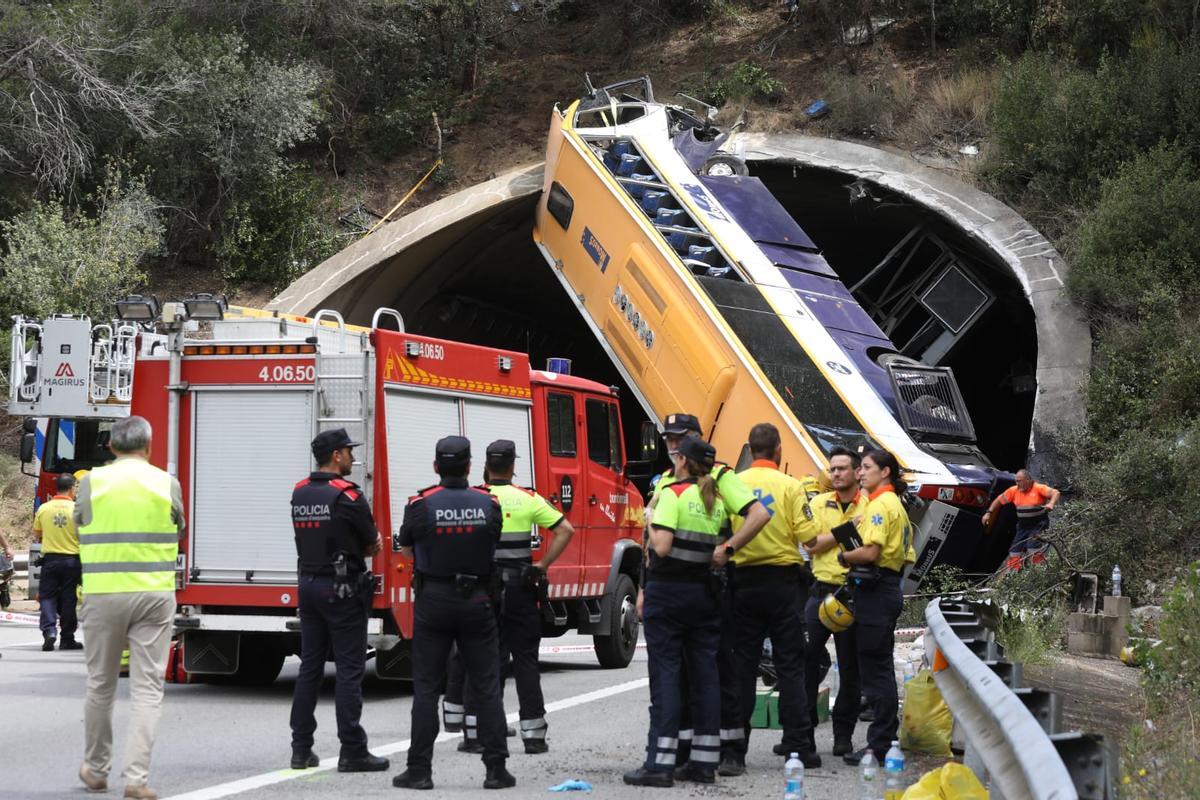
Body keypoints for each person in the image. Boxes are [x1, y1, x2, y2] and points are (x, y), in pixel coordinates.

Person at [625, 436, 762, 787]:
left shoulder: (673, 495)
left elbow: (663, 546)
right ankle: (703, 764)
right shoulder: (713, 501)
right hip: (703, 597)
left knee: (667, 676)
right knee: (705, 678)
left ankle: (659, 764)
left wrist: (652, 521)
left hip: (667, 594)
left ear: (683, 461)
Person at [394, 435, 515, 791]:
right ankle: (496, 770)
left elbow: (405, 548)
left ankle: (419, 770)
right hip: (477, 600)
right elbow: (491, 541)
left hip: (433, 600)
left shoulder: (419, 504)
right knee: (487, 686)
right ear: (468, 467)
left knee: (427, 689)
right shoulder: (488, 503)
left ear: (436, 466)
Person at [74, 416, 185, 800]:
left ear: (110, 446)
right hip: (154, 595)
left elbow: (79, 523)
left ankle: (96, 769)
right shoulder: (166, 483)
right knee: (147, 690)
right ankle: (136, 779)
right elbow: (179, 526)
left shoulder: (91, 482)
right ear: (149, 446)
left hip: (104, 593)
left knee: (101, 685)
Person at [451, 439, 574, 755]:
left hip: (483, 590)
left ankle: (475, 733)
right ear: (512, 466)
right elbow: (565, 530)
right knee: (525, 661)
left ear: (486, 466)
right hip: (520, 589)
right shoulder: (527, 499)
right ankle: (533, 736)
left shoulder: (475, 499)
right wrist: (543, 564)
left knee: (482, 660)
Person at [289, 428, 389, 774]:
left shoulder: (299, 492)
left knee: (310, 669)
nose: (351, 457)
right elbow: (372, 542)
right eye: (348, 451)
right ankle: (353, 750)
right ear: (335, 456)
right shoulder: (348, 495)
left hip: (309, 585)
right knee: (349, 669)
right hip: (343, 589)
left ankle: (300, 749)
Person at [728, 423, 820, 771]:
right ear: (778, 451)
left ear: (750, 450)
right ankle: (799, 748)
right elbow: (809, 539)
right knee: (791, 667)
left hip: (743, 584)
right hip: (783, 586)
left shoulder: (734, 485)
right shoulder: (792, 487)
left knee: (742, 668)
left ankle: (735, 753)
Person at [836, 449, 915, 765]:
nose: (860, 473)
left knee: (875, 669)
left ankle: (879, 745)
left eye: (866, 467)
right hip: (884, 589)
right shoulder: (892, 504)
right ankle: (882, 740)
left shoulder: (882, 505)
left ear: (885, 472)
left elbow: (870, 553)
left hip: (877, 590)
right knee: (875, 666)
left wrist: (844, 557)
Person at [801, 447, 868, 756]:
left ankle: (843, 735)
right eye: (832, 469)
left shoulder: (871, 504)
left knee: (851, 671)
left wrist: (833, 535)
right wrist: (846, 530)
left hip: (853, 594)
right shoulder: (816, 503)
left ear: (857, 473)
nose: (836, 473)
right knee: (805, 663)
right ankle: (804, 732)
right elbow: (811, 545)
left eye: (842, 468)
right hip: (819, 592)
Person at [33, 473, 83, 651]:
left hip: (50, 560)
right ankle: (67, 638)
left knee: (47, 597)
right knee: (69, 599)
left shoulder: (44, 508)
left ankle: (49, 632)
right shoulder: (77, 508)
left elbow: (37, 533)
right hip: (72, 561)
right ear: (72, 488)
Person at [983, 469, 1060, 567]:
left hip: (1038, 524)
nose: (1017, 484)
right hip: (1023, 526)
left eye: (1020, 481)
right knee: (1015, 550)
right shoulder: (1014, 490)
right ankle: (1014, 572)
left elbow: (1056, 493)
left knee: (1032, 547)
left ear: (1028, 480)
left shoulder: (1038, 488)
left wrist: (1051, 504)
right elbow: (998, 500)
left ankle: (1039, 570)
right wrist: (988, 513)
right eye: (1016, 481)